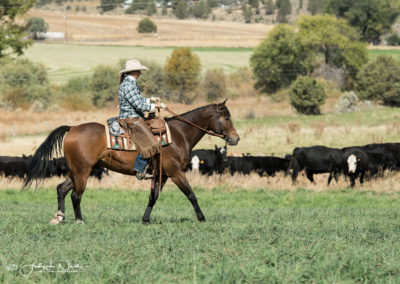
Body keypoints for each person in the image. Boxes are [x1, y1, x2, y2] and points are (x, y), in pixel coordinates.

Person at [119, 59, 166, 180]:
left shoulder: (130, 83)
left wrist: (150, 99)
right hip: (131, 118)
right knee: (151, 143)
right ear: (134, 72)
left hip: (134, 116)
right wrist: (155, 106)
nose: (140, 73)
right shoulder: (129, 85)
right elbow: (138, 105)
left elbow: (138, 100)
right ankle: (139, 169)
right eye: (138, 71)